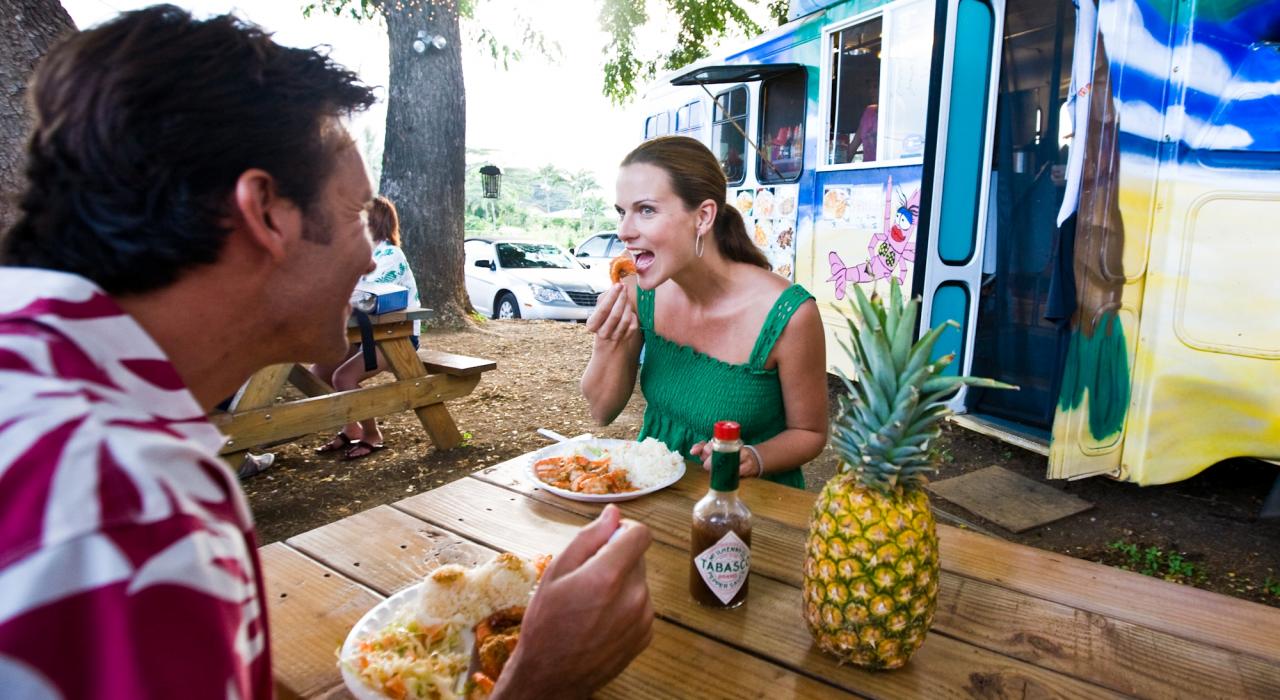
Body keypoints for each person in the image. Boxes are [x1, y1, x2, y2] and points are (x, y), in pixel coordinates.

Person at [0, 7, 652, 698]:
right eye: (355, 215)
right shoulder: (130, 507)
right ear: (265, 211)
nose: (369, 258)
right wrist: (537, 682)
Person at [581, 136, 828, 488]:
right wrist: (607, 341)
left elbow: (810, 432)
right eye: (622, 212)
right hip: (657, 493)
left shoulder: (789, 315)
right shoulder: (639, 295)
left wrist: (753, 457)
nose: (623, 231)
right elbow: (601, 411)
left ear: (703, 216)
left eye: (646, 210)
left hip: (750, 503)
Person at [312, 195, 420, 459]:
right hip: (364, 335)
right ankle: (351, 427)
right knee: (318, 373)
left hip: (397, 337)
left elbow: (362, 295)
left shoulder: (390, 255)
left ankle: (372, 434)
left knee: (343, 378)